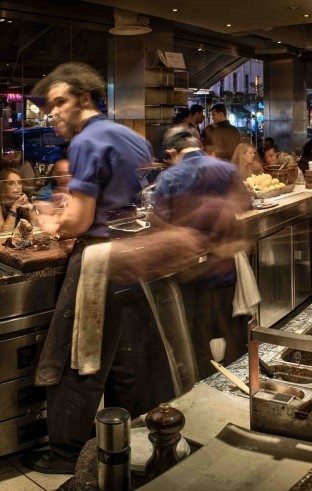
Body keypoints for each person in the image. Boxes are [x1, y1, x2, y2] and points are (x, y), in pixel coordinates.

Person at [26, 61, 167, 474]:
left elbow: (79, 221)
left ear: (85, 99)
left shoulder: (86, 141)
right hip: (136, 254)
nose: (53, 113)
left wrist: (53, 223)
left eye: (60, 102)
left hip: (100, 258)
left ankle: (66, 454)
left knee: (81, 355)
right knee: (127, 357)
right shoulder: (133, 137)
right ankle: (128, 440)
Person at [153, 128, 250, 377]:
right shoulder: (226, 169)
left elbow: (160, 222)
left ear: (172, 152)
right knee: (230, 330)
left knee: (198, 337)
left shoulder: (169, 177)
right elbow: (245, 204)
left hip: (190, 272)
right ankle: (239, 380)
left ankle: (205, 384)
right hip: (225, 266)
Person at [0, 168, 35, 232]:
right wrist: (14, 208)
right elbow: (4, 234)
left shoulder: (23, 202)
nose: (17, 187)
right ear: (3, 186)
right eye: (11, 183)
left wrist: (31, 208)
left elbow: (38, 229)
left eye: (19, 183)